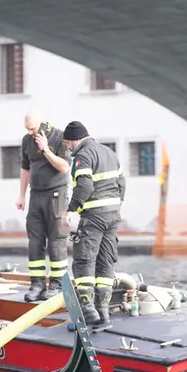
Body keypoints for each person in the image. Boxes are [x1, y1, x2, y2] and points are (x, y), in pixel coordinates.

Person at [61, 121, 125, 327]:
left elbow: (85, 185)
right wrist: (114, 205)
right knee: (105, 262)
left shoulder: (83, 156)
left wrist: (71, 209)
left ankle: (88, 313)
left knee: (84, 261)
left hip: (94, 216)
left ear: (75, 140)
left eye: (68, 143)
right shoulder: (109, 153)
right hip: (113, 215)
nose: (68, 148)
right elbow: (122, 184)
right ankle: (104, 314)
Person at [16, 110, 72, 302]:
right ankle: (37, 284)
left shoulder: (59, 137)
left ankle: (56, 284)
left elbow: (65, 167)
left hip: (57, 194)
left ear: (41, 124)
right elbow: (25, 168)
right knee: (35, 241)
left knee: (57, 241)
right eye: (27, 129)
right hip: (36, 195)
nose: (31, 132)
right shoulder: (26, 140)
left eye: (33, 128)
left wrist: (46, 149)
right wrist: (21, 195)